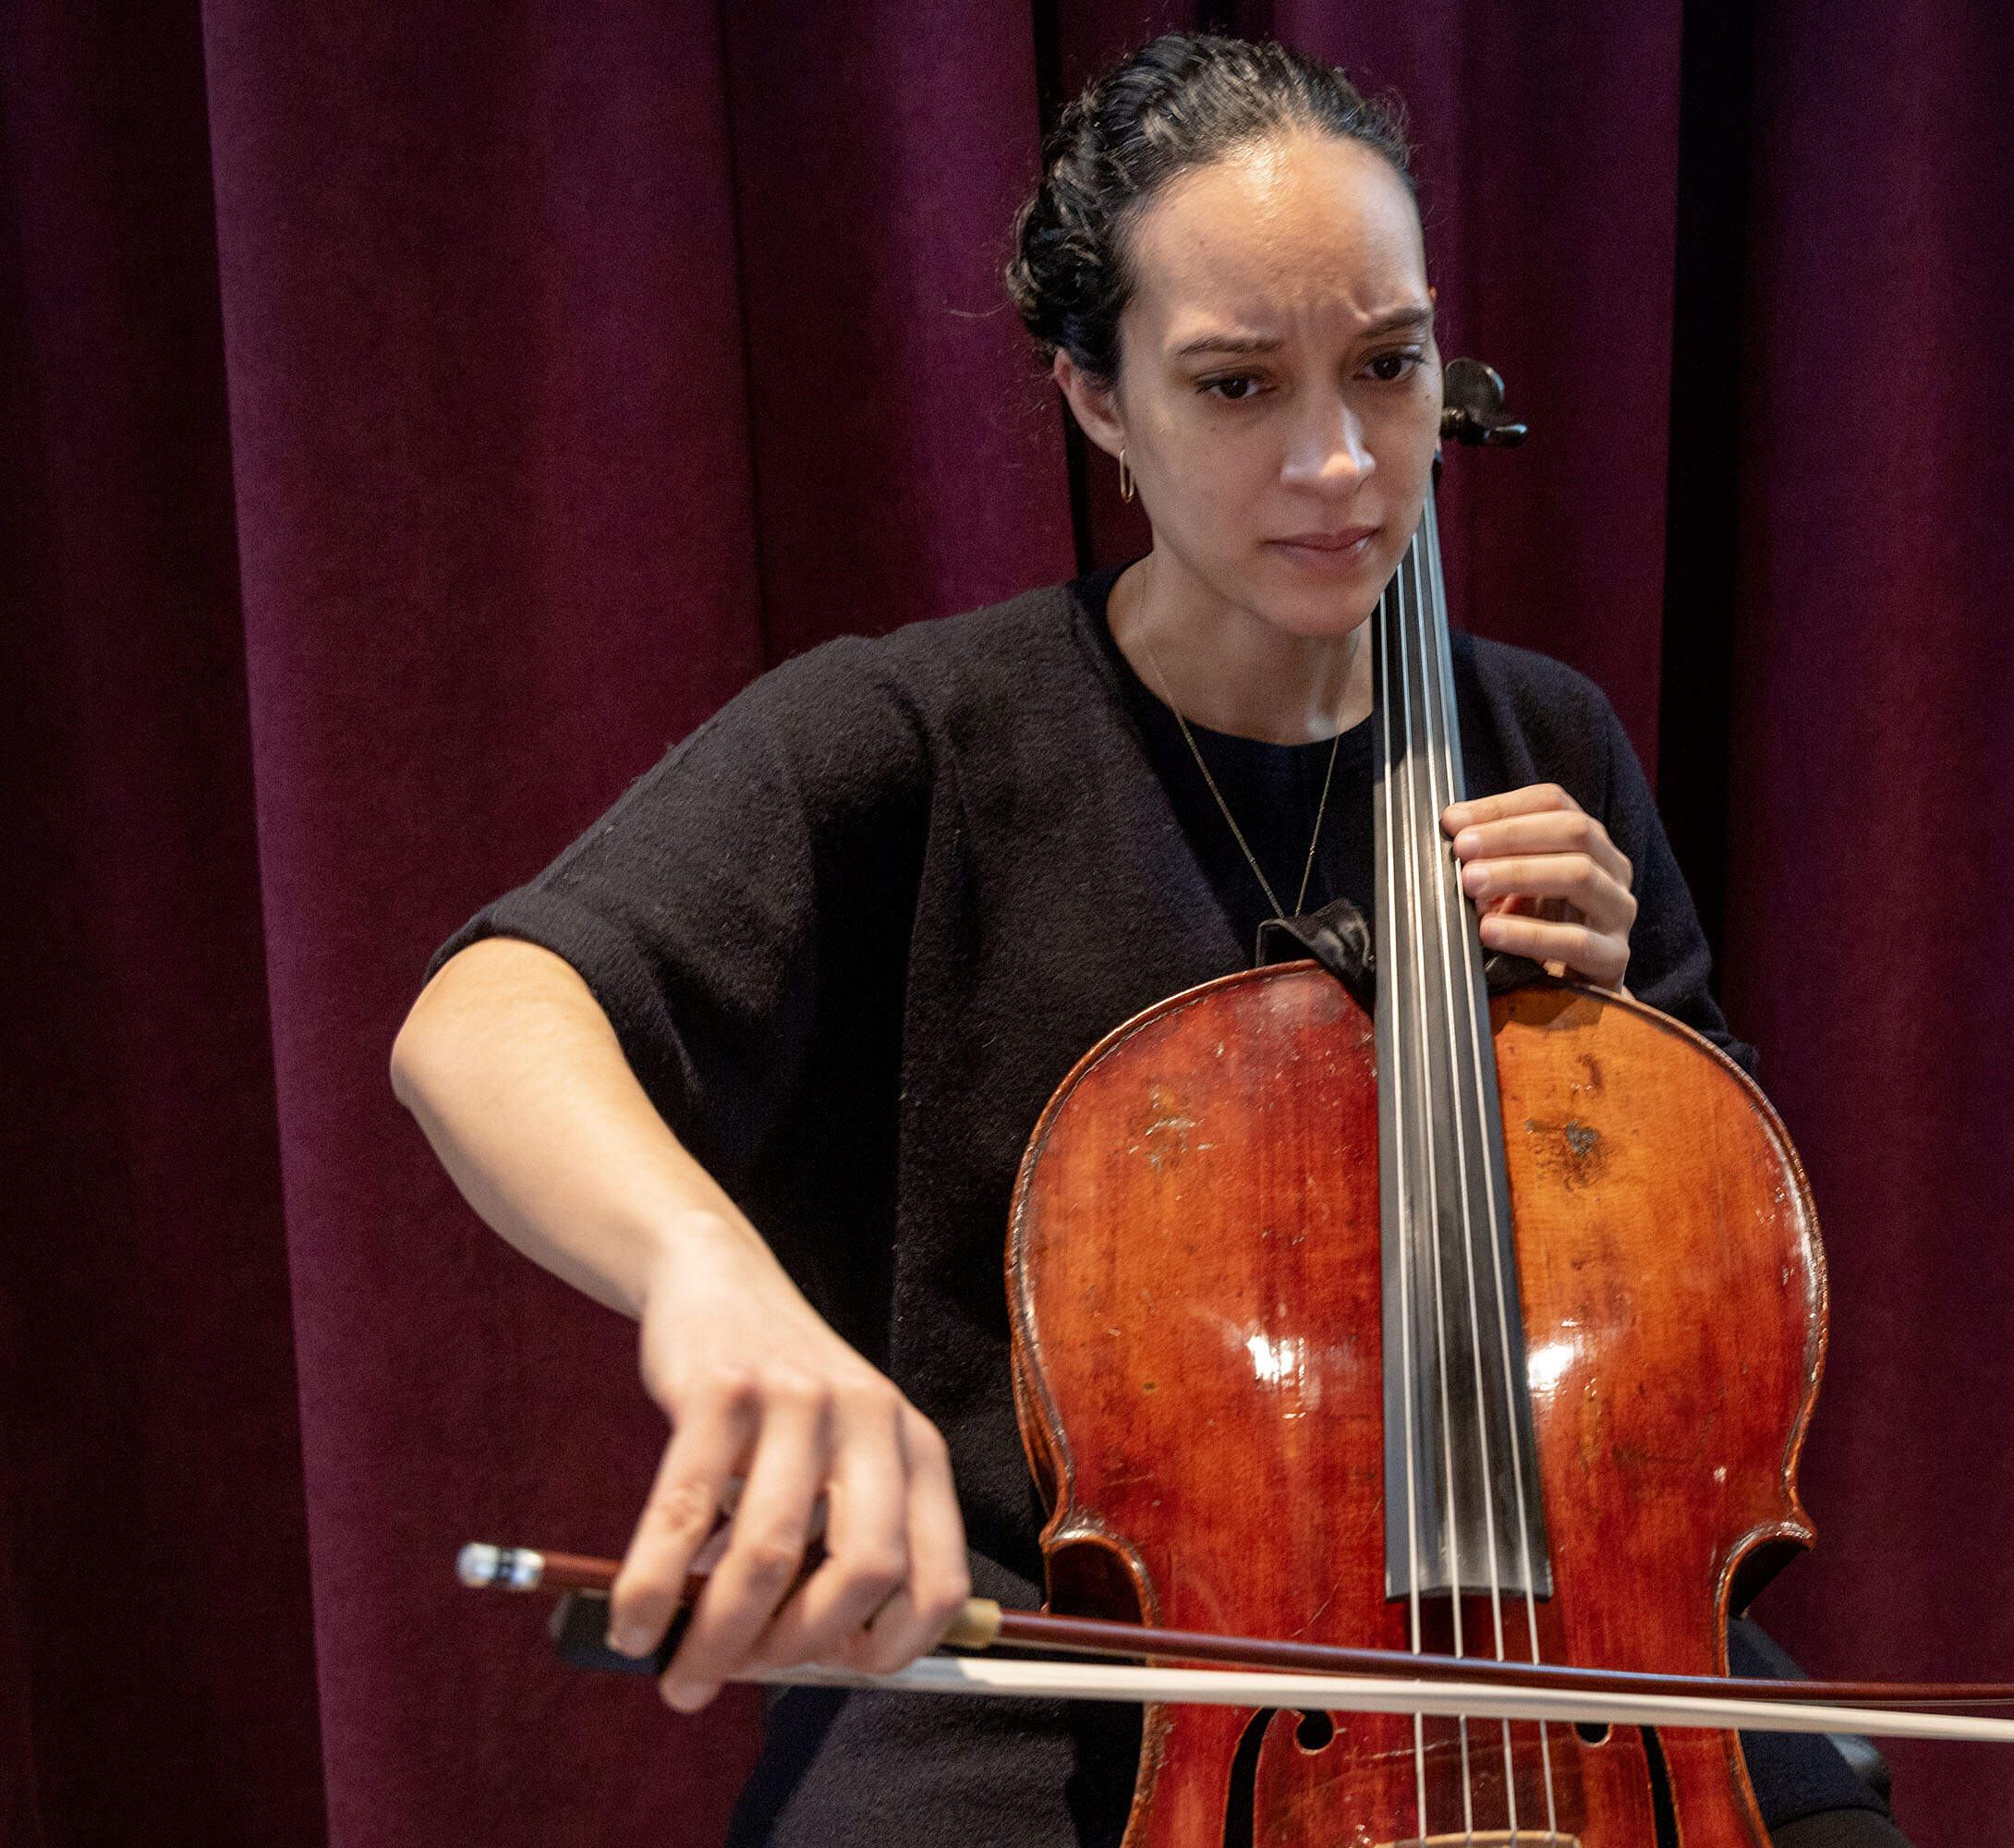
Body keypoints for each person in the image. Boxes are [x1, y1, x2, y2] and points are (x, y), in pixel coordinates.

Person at [393, 31, 1897, 1848]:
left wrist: (1613, 1058)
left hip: (1569, 1634)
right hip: (1059, 1659)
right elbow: (486, 1018)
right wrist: (715, 1283)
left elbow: (1708, 1315)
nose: (1341, 461)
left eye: (1390, 366)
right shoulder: (923, 739)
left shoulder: (1546, 737)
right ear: (1099, 403)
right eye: (1237, 385)